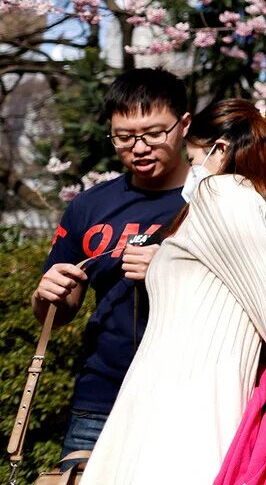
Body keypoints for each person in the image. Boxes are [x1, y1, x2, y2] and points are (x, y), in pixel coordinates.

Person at [82, 100, 266, 485]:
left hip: (187, 404)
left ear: (219, 150)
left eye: (193, 156)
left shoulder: (223, 195)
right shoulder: (250, 204)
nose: (191, 169)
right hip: (176, 397)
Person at [32, 68, 192, 465]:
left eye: (154, 133)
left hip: (189, 395)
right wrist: (46, 294)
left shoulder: (214, 199)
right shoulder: (90, 206)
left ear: (184, 125)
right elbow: (59, 312)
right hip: (101, 397)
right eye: (123, 137)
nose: (138, 148)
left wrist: (171, 267)